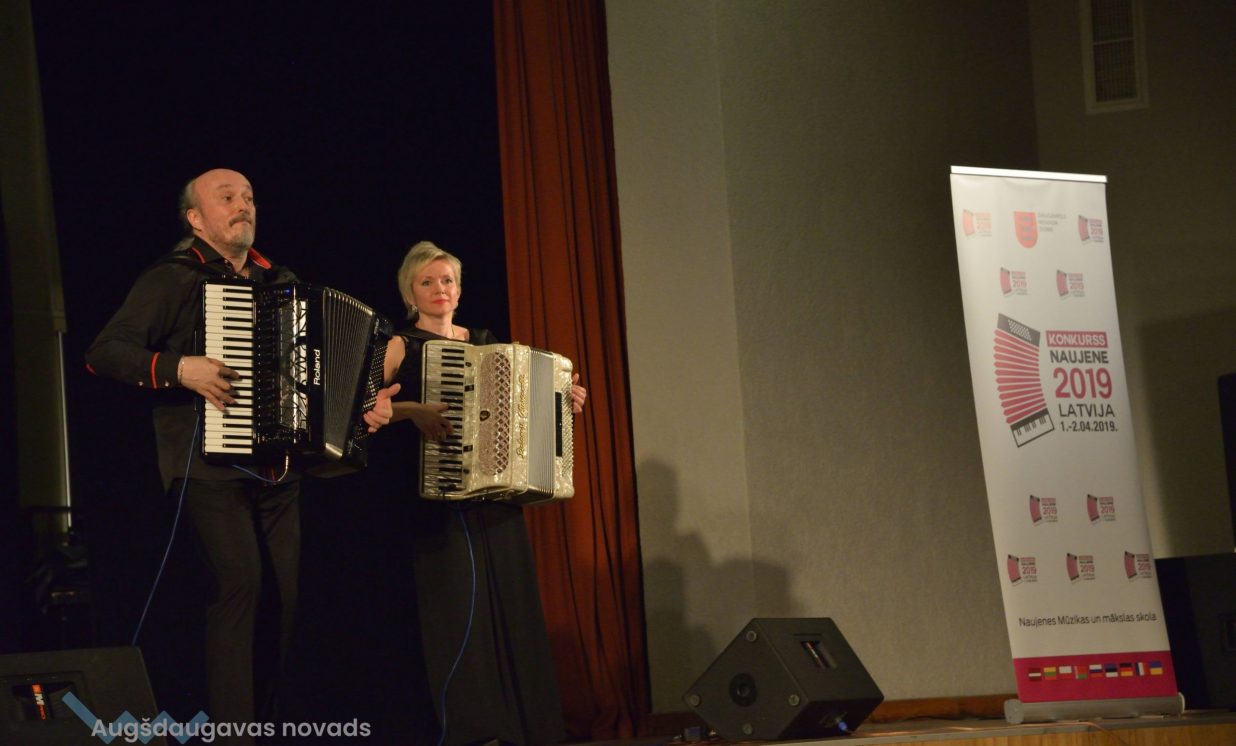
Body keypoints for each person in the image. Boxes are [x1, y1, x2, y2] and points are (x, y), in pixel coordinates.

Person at [85, 168, 396, 744]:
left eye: (249, 196)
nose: (242, 204)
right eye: (226, 197)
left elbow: (318, 375)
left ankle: (269, 722)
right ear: (195, 219)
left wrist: (362, 406)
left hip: (279, 468)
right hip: (206, 466)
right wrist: (181, 368)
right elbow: (105, 352)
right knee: (239, 586)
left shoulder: (283, 282)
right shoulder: (174, 277)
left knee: (287, 599)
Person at [375, 241, 584, 745]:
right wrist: (413, 411)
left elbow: (522, 409)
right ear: (409, 293)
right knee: (457, 616)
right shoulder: (399, 345)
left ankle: (528, 729)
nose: (439, 289)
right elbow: (364, 411)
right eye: (427, 282)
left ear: (460, 289)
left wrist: (564, 399)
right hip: (436, 499)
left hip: (497, 499)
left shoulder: (487, 342)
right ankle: (475, 732)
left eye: (447, 280)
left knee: (511, 609)